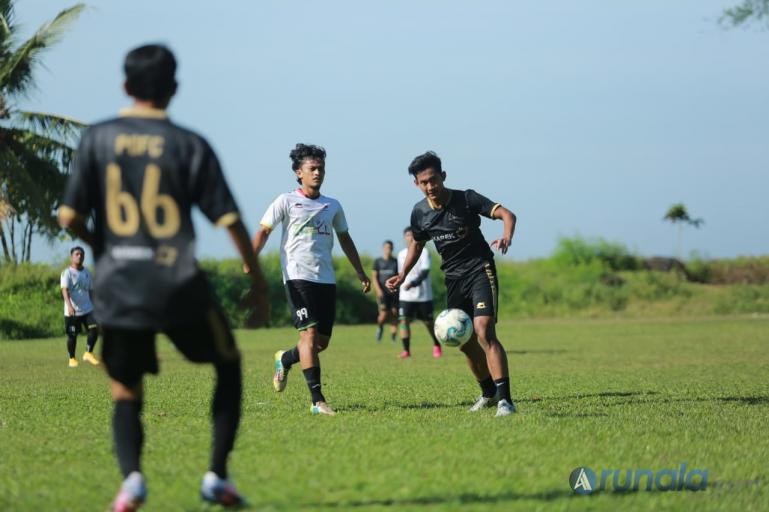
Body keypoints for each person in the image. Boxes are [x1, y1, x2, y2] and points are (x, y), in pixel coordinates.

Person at [58, 44, 268, 511]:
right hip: (178, 285)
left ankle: (132, 480)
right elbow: (229, 220)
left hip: (118, 286)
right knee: (228, 362)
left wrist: (101, 245)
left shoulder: (96, 138)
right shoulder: (189, 144)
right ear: (174, 88)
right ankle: (215, 475)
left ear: (126, 87)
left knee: (126, 389)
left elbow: (68, 215)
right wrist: (254, 278)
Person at [386, 151, 518, 417]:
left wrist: (506, 236)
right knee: (463, 340)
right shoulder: (420, 213)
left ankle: (505, 401)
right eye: (423, 182)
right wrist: (402, 275)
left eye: (433, 180)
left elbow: (507, 214)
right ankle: (488, 393)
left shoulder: (466, 199)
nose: (429, 187)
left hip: (480, 270)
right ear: (416, 184)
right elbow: (416, 246)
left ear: (443, 176)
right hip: (453, 279)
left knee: (483, 331)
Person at [250, 143, 370, 416]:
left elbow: (345, 238)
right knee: (309, 335)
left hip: (325, 279)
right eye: (312, 169)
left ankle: (285, 358)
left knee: (320, 343)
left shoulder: (333, 205)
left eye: (321, 168)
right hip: (296, 277)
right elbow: (264, 231)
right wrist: (251, 258)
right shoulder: (286, 201)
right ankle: (318, 401)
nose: (318, 173)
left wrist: (360, 271)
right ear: (298, 173)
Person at [396, 227, 442, 359]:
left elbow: (425, 272)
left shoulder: (424, 252)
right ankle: (406, 350)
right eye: (407, 235)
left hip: (423, 295)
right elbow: (400, 273)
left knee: (428, 322)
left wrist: (413, 283)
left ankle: (436, 343)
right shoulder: (401, 254)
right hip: (405, 295)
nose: (409, 238)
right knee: (404, 321)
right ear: (404, 238)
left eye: (411, 235)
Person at [61, 246, 100, 367]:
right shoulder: (67, 272)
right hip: (72, 311)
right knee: (72, 335)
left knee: (94, 329)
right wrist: (69, 306)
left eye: (82, 254)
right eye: (77, 254)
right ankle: (72, 358)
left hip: (88, 309)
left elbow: (91, 291)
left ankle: (88, 353)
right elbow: (64, 291)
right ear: (71, 257)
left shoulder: (87, 272)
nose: (80, 256)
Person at [371, 240, 398, 342]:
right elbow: (374, 277)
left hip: (394, 293)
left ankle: (393, 338)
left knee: (394, 314)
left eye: (390, 248)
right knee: (383, 315)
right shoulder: (377, 262)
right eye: (386, 248)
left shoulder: (396, 262)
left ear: (392, 249)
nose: (388, 250)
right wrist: (378, 290)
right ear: (383, 249)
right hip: (382, 293)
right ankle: (380, 327)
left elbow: (399, 276)